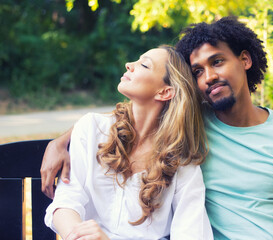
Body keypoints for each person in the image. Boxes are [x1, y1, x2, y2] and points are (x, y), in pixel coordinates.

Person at [41, 17, 273, 239]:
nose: (209, 77)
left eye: (217, 62)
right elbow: (131, 119)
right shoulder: (191, 130)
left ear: (245, 60)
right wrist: (61, 141)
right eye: (198, 72)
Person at [43, 45, 213, 240]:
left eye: (144, 65)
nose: (129, 65)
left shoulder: (183, 165)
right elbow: (66, 203)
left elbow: (191, 234)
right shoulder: (91, 129)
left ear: (165, 92)